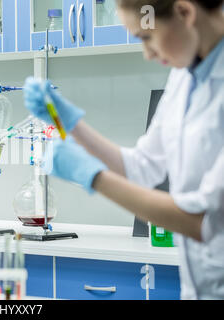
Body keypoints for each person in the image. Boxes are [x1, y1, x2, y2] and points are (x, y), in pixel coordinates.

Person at [24, 0, 224, 299]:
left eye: (147, 37)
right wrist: (71, 123)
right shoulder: (184, 76)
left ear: (185, 12)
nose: (147, 53)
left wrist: (93, 177)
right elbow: (140, 167)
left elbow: (200, 221)